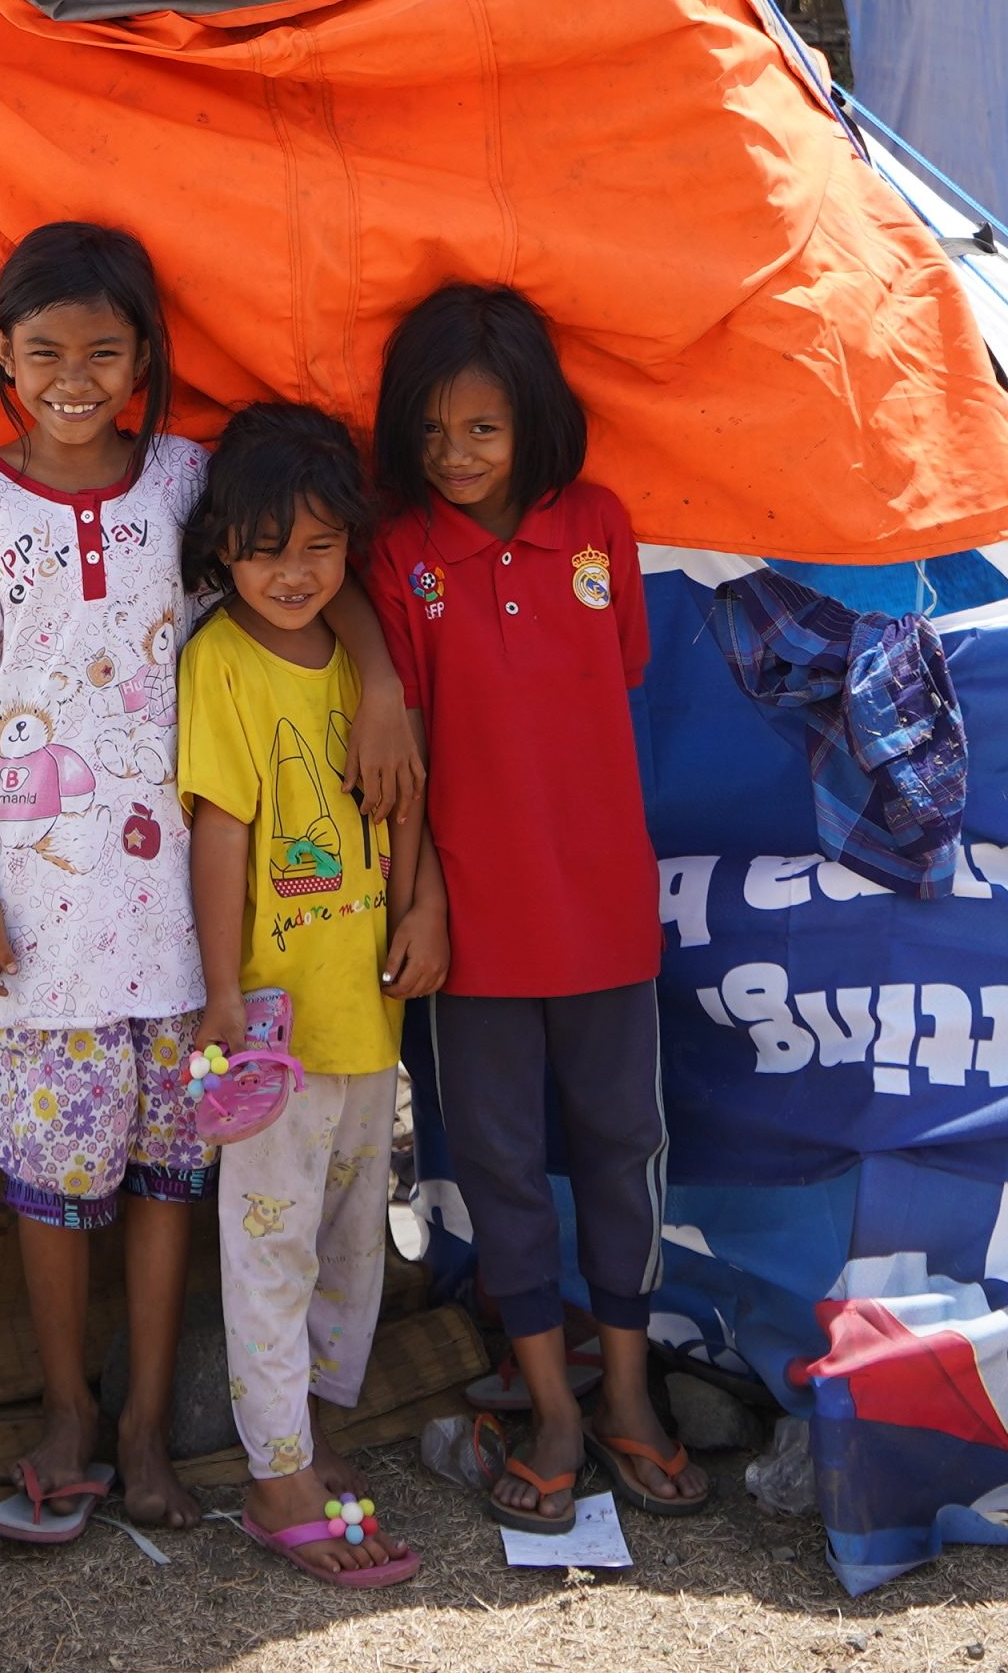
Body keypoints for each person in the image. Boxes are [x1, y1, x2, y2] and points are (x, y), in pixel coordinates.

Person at [0, 223, 419, 1540]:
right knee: (52, 1175)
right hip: (31, 911)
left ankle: (144, 1434)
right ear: (1, 356)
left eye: (105, 351)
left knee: (167, 1175)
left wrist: (387, 690)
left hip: (182, 929)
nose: (75, 376)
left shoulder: (182, 481)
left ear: (144, 359)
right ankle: (67, 1410)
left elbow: (302, 563)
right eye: (46, 352)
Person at [359, 281, 712, 1528]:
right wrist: (426, 901)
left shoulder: (601, 528)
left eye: (485, 431)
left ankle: (629, 1393)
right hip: (474, 929)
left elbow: (610, 685)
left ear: (536, 426)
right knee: (500, 1162)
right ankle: (552, 1402)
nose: (456, 457)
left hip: (607, 906)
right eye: (434, 433)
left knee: (622, 1148)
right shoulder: (401, 556)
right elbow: (408, 738)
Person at [177, 403, 440, 1590]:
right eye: (269, 546)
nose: (296, 572)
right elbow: (221, 826)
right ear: (222, 545)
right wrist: (222, 988)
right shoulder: (222, 660)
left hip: (365, 1009)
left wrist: (421, 898)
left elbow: (404, 800)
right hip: (275, 1025)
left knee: (350, 1249)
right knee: (270, 1248)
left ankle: (315, 1427)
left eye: (322, 547)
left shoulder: (358, 665)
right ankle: (274, 1471)